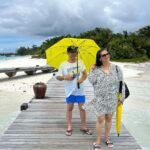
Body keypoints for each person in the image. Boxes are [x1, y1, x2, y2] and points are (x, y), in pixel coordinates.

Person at [83, 48, 125, 150]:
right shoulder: (96, 69)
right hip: (100, 98)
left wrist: (121, 97)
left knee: (109, 119)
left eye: (107, 54)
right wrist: (90, 70)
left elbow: (121, 83)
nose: (106, 56)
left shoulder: (116, 68)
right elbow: (92, 81)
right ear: (100, 58)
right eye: (103, 55)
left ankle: (106, 138)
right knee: (100, 119)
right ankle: (97, 141)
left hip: (112, 98)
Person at [56, 45, 92, 136]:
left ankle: (83, 126)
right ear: (68, 53)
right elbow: (58, 77)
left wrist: (82, 80)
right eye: (71, 52)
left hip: (80, 90)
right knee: (69, 109)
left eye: (75, 52)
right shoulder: (63, 64)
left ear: (77, 53)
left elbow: (85, 74)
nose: (73, 54)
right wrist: (65, 77)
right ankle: (69, 126)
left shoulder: (80, 62)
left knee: (82, 109)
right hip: (69, 91)